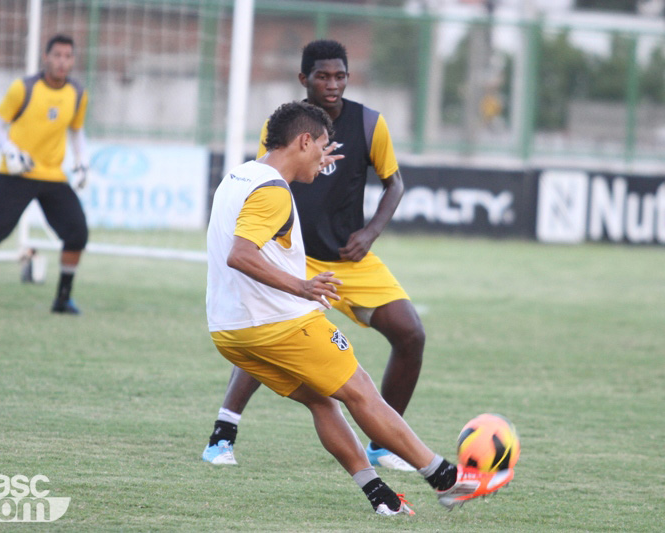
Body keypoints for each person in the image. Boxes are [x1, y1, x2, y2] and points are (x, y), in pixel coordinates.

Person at [206, 100, 511, 514]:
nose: (326, 161)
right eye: (322, 148)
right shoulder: (273, 193)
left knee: (322, 401)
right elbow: (241, 254)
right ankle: (446, 479)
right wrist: (303, 285)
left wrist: (308, 159)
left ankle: (378, 495)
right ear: (303, 140)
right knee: (363, 392)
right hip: (280, 324)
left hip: (230, 331)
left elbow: (266, 200)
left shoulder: (240, 175)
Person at [203, 39, 425, 471]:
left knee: (410, 333)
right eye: (322, 76)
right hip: (295, 260)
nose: (332, 83)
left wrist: (370, 233)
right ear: (304, 79)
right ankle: (222, 434)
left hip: (349, 261)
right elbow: (264, 182)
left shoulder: (369, 124)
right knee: (269, 332)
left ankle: (383, 443)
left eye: (340, 75)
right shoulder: (283, 127)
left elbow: (394, 183)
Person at [0, 34, 90, 314]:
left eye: (67, 56)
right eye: (57, 55)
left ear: (73, 60)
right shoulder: (23, 89)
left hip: (53, 176)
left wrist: (82, 161)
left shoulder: (78, 94)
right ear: (45, 57)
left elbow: (77, 129)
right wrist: (10, 150)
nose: (62, 62)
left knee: (77, 233)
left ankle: (62, 299)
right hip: (17, 175)